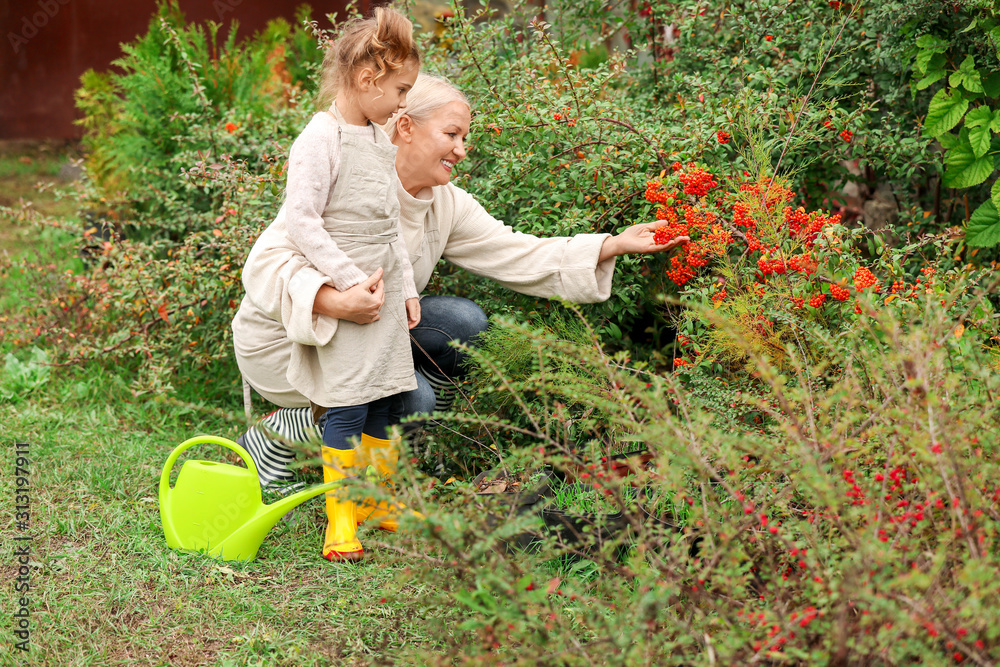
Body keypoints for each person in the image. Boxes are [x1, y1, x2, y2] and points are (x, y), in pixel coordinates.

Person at [233, 74, 688, 538]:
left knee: (462, 325)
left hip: (368, 333)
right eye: (451, 134)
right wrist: (334, 301)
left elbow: (518, 252)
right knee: (417, 397)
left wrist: (611, 244)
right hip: (286, 340)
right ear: (405, 126)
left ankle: (368, 477)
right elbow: (265, 265)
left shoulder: (445, 204)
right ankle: (290, 428)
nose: (461, 149)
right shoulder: (348, 177)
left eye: (465, 138)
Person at [245, 6, 421, 562]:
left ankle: (377, 500)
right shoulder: (318, 139)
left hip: (385, 291)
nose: (402, 104)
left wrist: (409, 287)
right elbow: (303, 221)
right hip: (350, 294)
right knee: (346, 404)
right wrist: (346, 283)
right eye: (400, 90)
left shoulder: (378, 136)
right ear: (368, 79)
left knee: (389, 400)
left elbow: (390, 226)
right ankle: (340, 517)